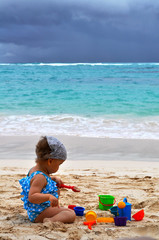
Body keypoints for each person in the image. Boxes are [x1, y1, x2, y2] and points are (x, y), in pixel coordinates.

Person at [19, 136, 76, 223]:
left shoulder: (36, 171)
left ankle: (52, 216)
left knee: (67, 210)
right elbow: (32, 197)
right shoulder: (40, 177)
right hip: (40, 213)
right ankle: (50, 220)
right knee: (71, 214)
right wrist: (49, 196)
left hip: (39, 210)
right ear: (50, 161)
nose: (59, 167)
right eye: (59, 164)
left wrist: (54, 178)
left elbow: (42, 181)